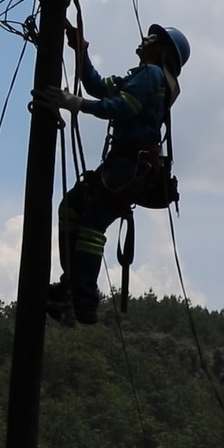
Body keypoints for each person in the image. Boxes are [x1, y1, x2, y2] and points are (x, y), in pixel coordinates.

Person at [32, 22, 190, 326]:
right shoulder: (139, 76)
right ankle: (73, 288)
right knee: (72, 207)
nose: (145, 39)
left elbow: (119, 107)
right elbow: (96, 85)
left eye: (153, 38)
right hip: (122, 164)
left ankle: (82, 301)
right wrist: (81, 49)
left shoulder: (152, 75)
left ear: (162, 50)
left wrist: (75, 104)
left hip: (130, 166)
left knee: (91, 223)